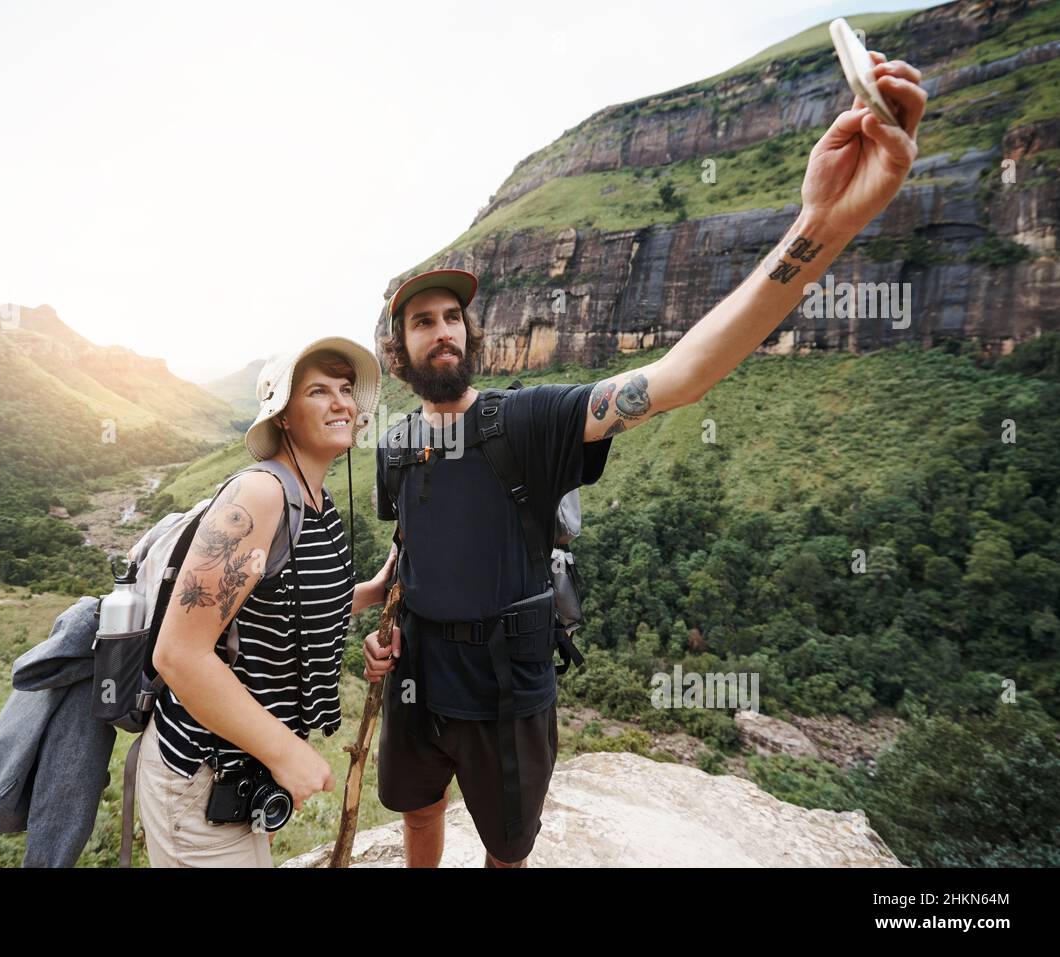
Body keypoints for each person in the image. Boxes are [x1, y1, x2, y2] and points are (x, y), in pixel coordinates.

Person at [364, 51, 926, 867]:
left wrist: (822, 226)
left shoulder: (528, 420)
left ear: (472, 333)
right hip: (419, 682)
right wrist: (383, 615)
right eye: (422, 321)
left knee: (506, 850)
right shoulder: (396, 445)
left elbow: (680, 377)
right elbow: (408, 545)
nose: (443, 329)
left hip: (506, 691)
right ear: (401, 348)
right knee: (419, 818)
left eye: (453, 316)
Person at [138, 337, 396, 867]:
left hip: (247, 778)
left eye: (347, 390)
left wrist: (380, 587)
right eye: (319, 391)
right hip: (202, 779)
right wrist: (288, 753)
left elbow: (287, 603)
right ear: (281, 415)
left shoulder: (316, 501)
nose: (341, 403)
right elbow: (180, 653)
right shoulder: (260, 496)